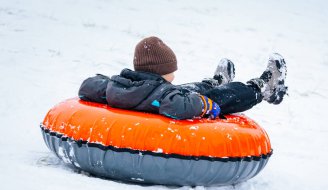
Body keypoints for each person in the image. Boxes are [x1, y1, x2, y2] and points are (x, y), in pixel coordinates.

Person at [79, 36, 288, 120]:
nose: (174, 74)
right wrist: (205, 104)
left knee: (182, 90)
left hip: (156, 98)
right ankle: (263, 88)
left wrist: (105, 84)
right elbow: (180, 107)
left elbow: (87, 86)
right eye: (171, 70)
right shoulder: (161, 95)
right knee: (222, 96)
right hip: (167, 103)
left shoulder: (116, 86)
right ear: (160, 71)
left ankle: (211, 83)